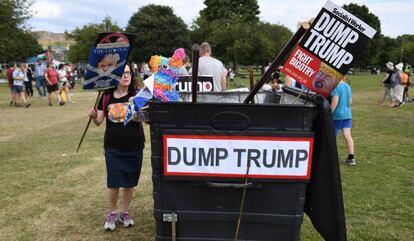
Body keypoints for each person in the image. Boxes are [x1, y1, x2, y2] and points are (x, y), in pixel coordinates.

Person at [88, 64, 145, 231]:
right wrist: (93, 116)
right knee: (113, 183)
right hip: (113, 146)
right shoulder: (106, 97)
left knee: (129, 182)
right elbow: (99, 121)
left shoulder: (137, 95)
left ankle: (124, 212)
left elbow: (145, 119)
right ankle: (112, 213)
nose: (126, 76)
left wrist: (138, 105)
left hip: (134, 145)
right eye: (122, 73)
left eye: (128, 73)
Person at [330, 75, 355, 166]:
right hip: (347, 115)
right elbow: (350, 102)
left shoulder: (335, 88)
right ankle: (351, 157)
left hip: (337, 116)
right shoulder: (348, 86)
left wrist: (330, 113)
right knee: (348, 135)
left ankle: (330, 157)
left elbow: (335, 102)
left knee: (332, 137)